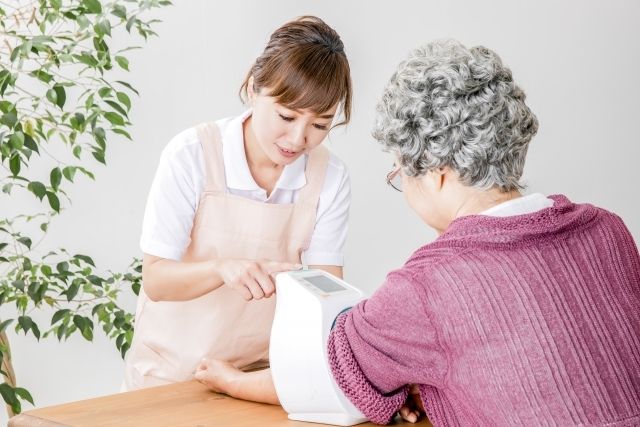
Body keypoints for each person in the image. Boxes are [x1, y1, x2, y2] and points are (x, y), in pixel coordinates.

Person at [194, 40, 640, 426]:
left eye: (401, 174)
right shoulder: (608, 230)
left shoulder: (427, 286)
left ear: (438, 174)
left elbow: (323, 378)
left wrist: (231, 382)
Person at [123, 16, 353, 391]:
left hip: (260, 378)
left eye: (320, 124)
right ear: (252, 87)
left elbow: (327, 294)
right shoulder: (193, 154)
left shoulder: (329, 175)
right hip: (169, 374)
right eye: (287, 116)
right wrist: (222, 268)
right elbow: (157, 280)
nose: (298, 139)